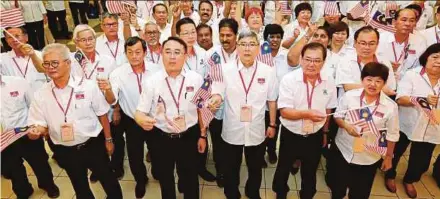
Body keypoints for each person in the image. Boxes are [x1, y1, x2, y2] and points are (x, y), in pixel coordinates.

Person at [27, 43, 123, 199]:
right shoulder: (41, 94)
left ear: (68, 63)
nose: (50, 67)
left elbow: (102, 114)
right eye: (47, 64)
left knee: (108, 179)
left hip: (93, 144)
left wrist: (108, 139)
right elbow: (39, 124)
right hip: (65, 149)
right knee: (80, 187)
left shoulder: (88, 86)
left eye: (55, 63)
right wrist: (35, 131)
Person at [134, 36, 206, 199]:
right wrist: (141, 120)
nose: (172, 56)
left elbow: (202, 110)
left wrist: (203, 135)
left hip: (189, 135)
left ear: (185, 56)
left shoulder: (196, 79)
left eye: (177, 52)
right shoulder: (151, 82)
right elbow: (139, 112)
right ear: (161, 54)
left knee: (190, 177)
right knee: (165, 178)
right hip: (161, 138)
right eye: (168, 52)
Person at [209, 30, 278, 199]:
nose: (247, 49)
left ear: (258, 48)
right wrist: (215, 99)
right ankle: (232, 192)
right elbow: (217, 91)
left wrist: (272, 124)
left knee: (255, 167)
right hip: (232, 128)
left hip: (256, 128)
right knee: (231, 166)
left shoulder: (268, 71)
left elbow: (272, 101)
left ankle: (252, 191)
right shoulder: (224, 69)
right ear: (237, 46)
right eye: (243, 44)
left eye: (252, 44)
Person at [272, 42, 337, 199]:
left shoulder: (329, 81)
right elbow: (285, 111)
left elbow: (328, 109)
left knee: (310, 171)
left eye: (317, 60)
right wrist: (307, 114)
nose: (311, 64)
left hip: (314, 135)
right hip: (291, 133)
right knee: (283, 168)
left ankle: (306, 195)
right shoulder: (289, 80)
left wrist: (325, 133)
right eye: (308, 59)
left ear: (323, 62)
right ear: (301, 59)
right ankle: (281, 193)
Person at [328, 62, 399, 199]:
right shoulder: (350, 96)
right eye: (369, 80)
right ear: (362, 80)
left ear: (384, 83)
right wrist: (347, 126)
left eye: (378, 81)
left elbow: (392, 134)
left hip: (369, 157)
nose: (373, 84)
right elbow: (337, 116)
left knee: (360, 193)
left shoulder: (390, 106)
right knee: (337, 189)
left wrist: (388, 157)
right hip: (343, 151)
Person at [102, 36, 161, 198]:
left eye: (137, 52)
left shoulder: (157, 69)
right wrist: (107, 89)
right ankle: (141, 180)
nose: (134, 56)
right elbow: (113, 99)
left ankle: (158, 172)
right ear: (125, 54)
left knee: (157, 150)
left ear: (145, 52)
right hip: (132, 120)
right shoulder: (118, 73)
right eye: (130, 52)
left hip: (154, 118)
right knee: (135, 155)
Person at [384, 43, 440, 198]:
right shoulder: (412, 75)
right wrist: (422, 100)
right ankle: (389, 175)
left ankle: (409, 180)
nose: (438, 61)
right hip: (407, 123)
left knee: (421, 160)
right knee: (396, 152)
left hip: (433, 126)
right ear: (426, 57)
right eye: (435, 57)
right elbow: (401, 98)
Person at [1, 75, 60, 198]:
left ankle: (48, 185)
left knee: (39, 162)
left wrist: (39, 128)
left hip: (26, 133)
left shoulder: (18, 82)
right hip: (3, 139)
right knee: (13, 168)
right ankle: (23, 190)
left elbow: (34, 107)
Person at [203, 18, 240, 188]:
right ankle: (221, 172)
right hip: (217, 108)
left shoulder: (243, 52)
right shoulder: (212, 54)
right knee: (218, 143)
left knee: (234, 143)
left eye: (229, 35)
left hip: (237, 108)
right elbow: (207, 81)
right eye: (222, 35)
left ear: (236, 35)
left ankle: (233, 171)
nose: (225, 39)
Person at [336, 26, 397, 97]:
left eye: (371, 44)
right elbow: (348, 87)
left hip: (378, 105)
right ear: (355, 43)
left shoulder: (384, 61)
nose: (367, 47)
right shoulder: (345, 60)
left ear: (377, 44)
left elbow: (390, 89)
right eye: (363, 43)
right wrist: (379, 88)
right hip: (351, 105)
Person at [261, 24, 291, 167]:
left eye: (278, 37)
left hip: (279, 103)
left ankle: (271, 150)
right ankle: (260, 153)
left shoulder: (286, 55)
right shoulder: (259, 54)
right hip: (261, 102)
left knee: (274, 128)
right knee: (261, 129)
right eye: (271, 36)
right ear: (265, 37)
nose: (274, 40)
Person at [376, 8, 428, 83]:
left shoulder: (420, 41)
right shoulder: (381, 39)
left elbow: (421, 66)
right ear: (394, 22)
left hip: (408, 83)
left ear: (415, 24)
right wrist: (385, 66)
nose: (407, 24)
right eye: (404, 20)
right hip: (382, 81)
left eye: (412, 20)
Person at [0, 27, 46, 94]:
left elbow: (46, 71)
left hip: (41, 96)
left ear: (26, 37)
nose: (14, 39)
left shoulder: (41, 55)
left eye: (17, 36)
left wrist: (33, 55)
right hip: (17, 100)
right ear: (6, 41)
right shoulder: (3, 58)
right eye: (10, 37)